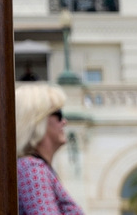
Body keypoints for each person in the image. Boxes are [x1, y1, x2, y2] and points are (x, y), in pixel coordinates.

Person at [15, 83, 82, 214]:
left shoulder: (33, 167)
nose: (64, 121)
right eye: (59, 114)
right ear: (38, 119)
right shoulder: (32, 169)